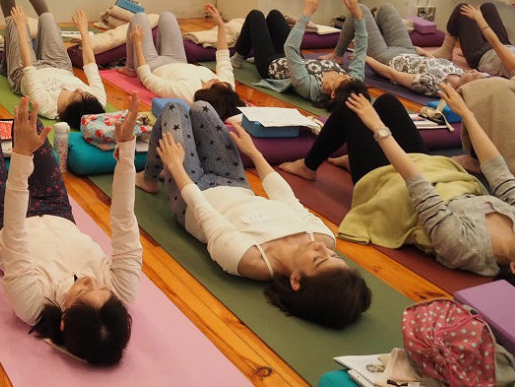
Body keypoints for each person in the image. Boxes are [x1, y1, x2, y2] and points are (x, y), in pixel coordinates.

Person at [0, 95, 141, 365]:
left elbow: (15, 234)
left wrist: (22, 157)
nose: (89, 281)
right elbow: (124, 218)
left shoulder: (32, 306)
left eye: (83, 293)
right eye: (101, 288)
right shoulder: (123, 290)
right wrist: (126, 150)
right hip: (57, 210)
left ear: (63, 322)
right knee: (33, 127)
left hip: (2, 220)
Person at [140, 100, 371, 329]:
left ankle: (148, 178)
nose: (324, 250)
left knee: (174, 109)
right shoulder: (323, 238)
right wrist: (254, 153)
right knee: (202, 108)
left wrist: (176, 168)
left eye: (319, 260)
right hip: (234, 182)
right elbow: (285, 197)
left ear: (296, 279)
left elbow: (205, 214)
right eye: (334, 257)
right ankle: (167, 170)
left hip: (192, 195)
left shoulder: (251, 261)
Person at [321, 85, 515, 285]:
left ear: (514, 267)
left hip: (394, 187)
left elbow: (418, 187)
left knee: (351, 105)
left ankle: (309, 166)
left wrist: (378, 129)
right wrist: (466, 114)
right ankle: (350, 159)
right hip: (436, 170)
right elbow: (498, 171)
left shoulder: (467, 249)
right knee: (387, 103)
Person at [231, 0, 367, 107]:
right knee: (275, 15)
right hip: (293, 58)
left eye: (343, 79)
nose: (346, 75)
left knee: (256, 16)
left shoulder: (308, 87)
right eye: (349, 77)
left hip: (270, 65)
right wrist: (358, 16)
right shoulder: (353, 85)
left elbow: (290, 47)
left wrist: (306, 14)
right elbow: (360, 50)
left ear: (333, 94)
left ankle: (238, 58)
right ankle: (256, 54)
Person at [322, 2, 483, 97]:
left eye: (476, 77)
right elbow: (437, 64)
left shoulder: (435, 85)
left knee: (360, 9)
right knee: (386, 8)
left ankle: (337, 55)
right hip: (408, 51)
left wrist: (369, 58)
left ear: (467, 89)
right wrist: (424, 53)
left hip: (387, 59)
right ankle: (373, 36)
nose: (475, 72)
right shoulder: (460, 72)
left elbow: (394, 75)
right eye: (478, 72)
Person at [124, 4, 242, 121]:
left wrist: (138, 44)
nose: (216, 79)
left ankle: (130, 68)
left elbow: (148, 78)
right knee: (167, 16)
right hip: (179, 59)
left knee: (139, 17)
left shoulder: (186, 93)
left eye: (214, 84)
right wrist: (220, 24)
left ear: (207, 94)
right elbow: (223, 56)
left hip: (153, 65)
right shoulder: (226, 90)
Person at [5, 5, 106, 128]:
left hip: (25, 72)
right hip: (61, 66)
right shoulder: (97, 102)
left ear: (71, 109)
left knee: (13, 21)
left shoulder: (46, 105)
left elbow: (28, 67)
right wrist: (83, 31)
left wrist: (21, 27)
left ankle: (6, 66)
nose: (80, 89)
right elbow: (91, 64)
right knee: (47, 18)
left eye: (80, 95)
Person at [426, 2, 515, 79]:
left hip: (482, 55)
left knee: (463, 9)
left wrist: (478, 18)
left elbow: (495, 44)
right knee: (488, 7)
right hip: (507, 47)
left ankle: (446, 50)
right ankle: (467, 46)